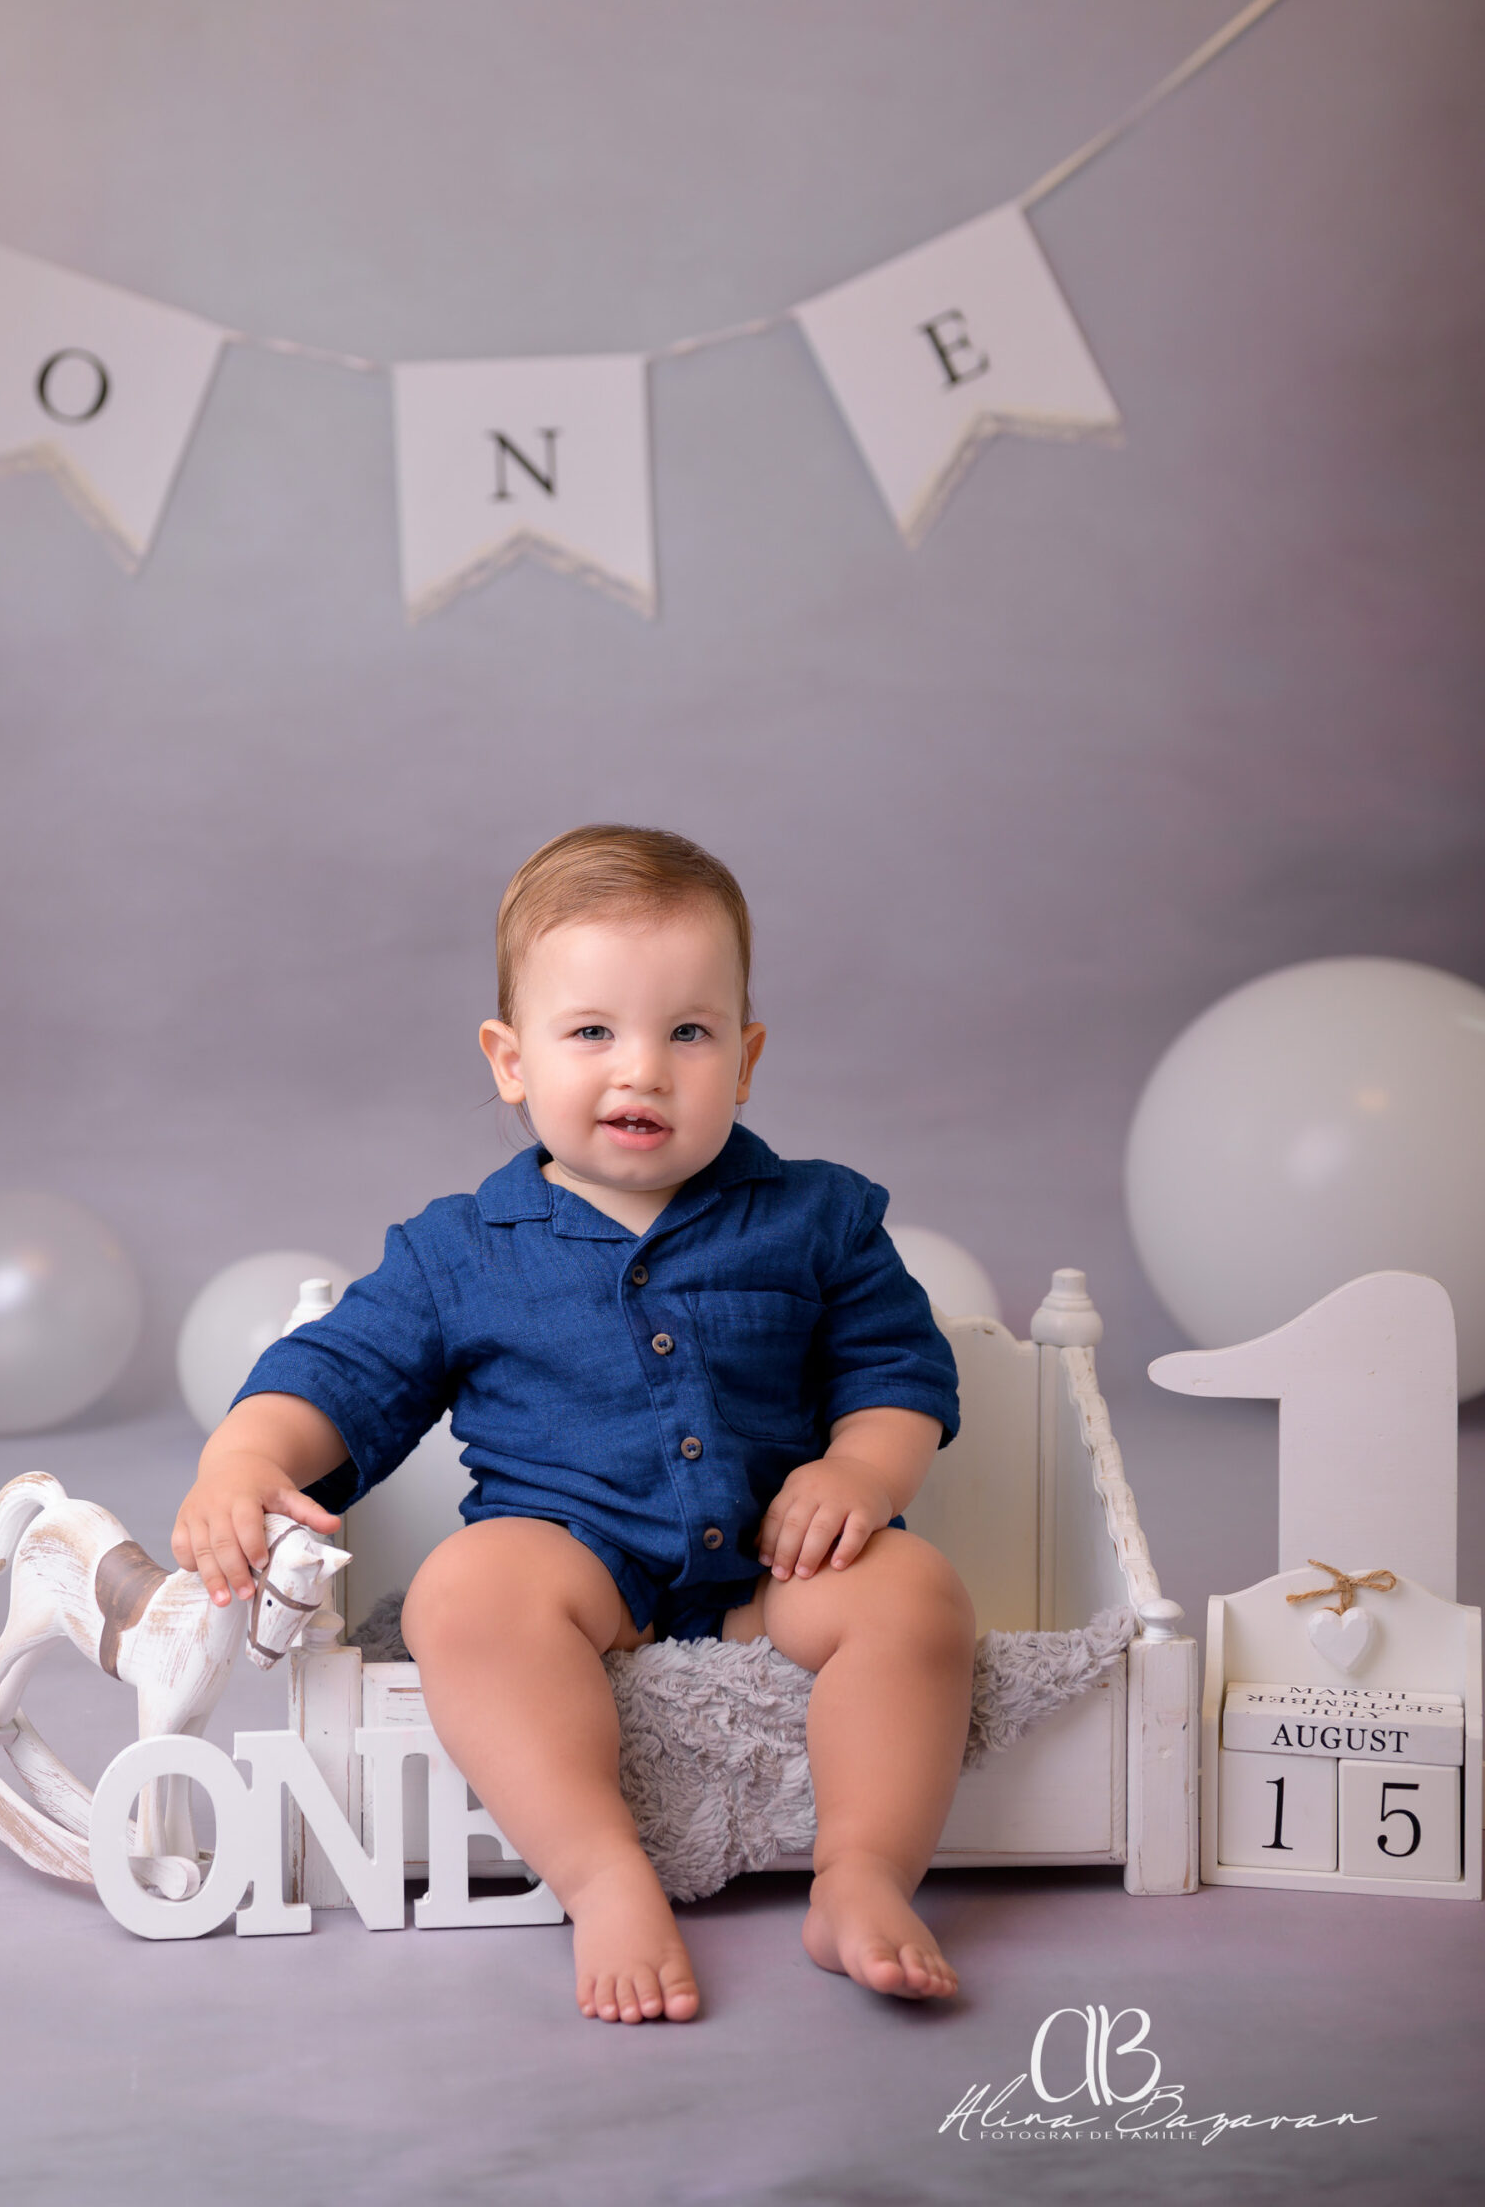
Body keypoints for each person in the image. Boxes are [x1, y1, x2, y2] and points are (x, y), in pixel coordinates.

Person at [173, 825, 973, 2023]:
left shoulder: (818, 1217)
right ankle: (601, 1874)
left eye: (687, 1032)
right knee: (464, 1592)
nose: (640, 1069)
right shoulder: (458, 1250)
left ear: (745, 1058)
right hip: (577, 1570)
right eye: (591, 1032)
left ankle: (861, 1871)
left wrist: (862, 1468)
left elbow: (898, 1369)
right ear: (510, 1060)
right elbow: (343, 1370)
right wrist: (244, 1456)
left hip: (776, 1571)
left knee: (913, 1594)